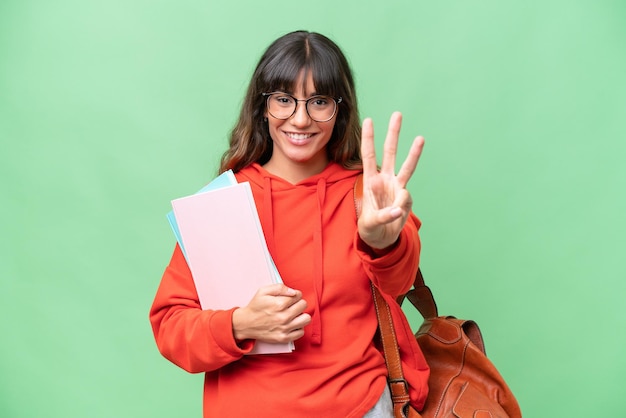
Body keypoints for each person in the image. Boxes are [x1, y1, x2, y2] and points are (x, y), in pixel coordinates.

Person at [150, 30, 429, 418]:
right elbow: (170, 327)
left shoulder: (371, 194)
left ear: (340, 108)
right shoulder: (220, 203)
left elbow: (399, 283)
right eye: (284, 100)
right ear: (262, 106)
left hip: (360, 408)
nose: (300, 118)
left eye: (319, 102)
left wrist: (382, 242)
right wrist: (239, 324)